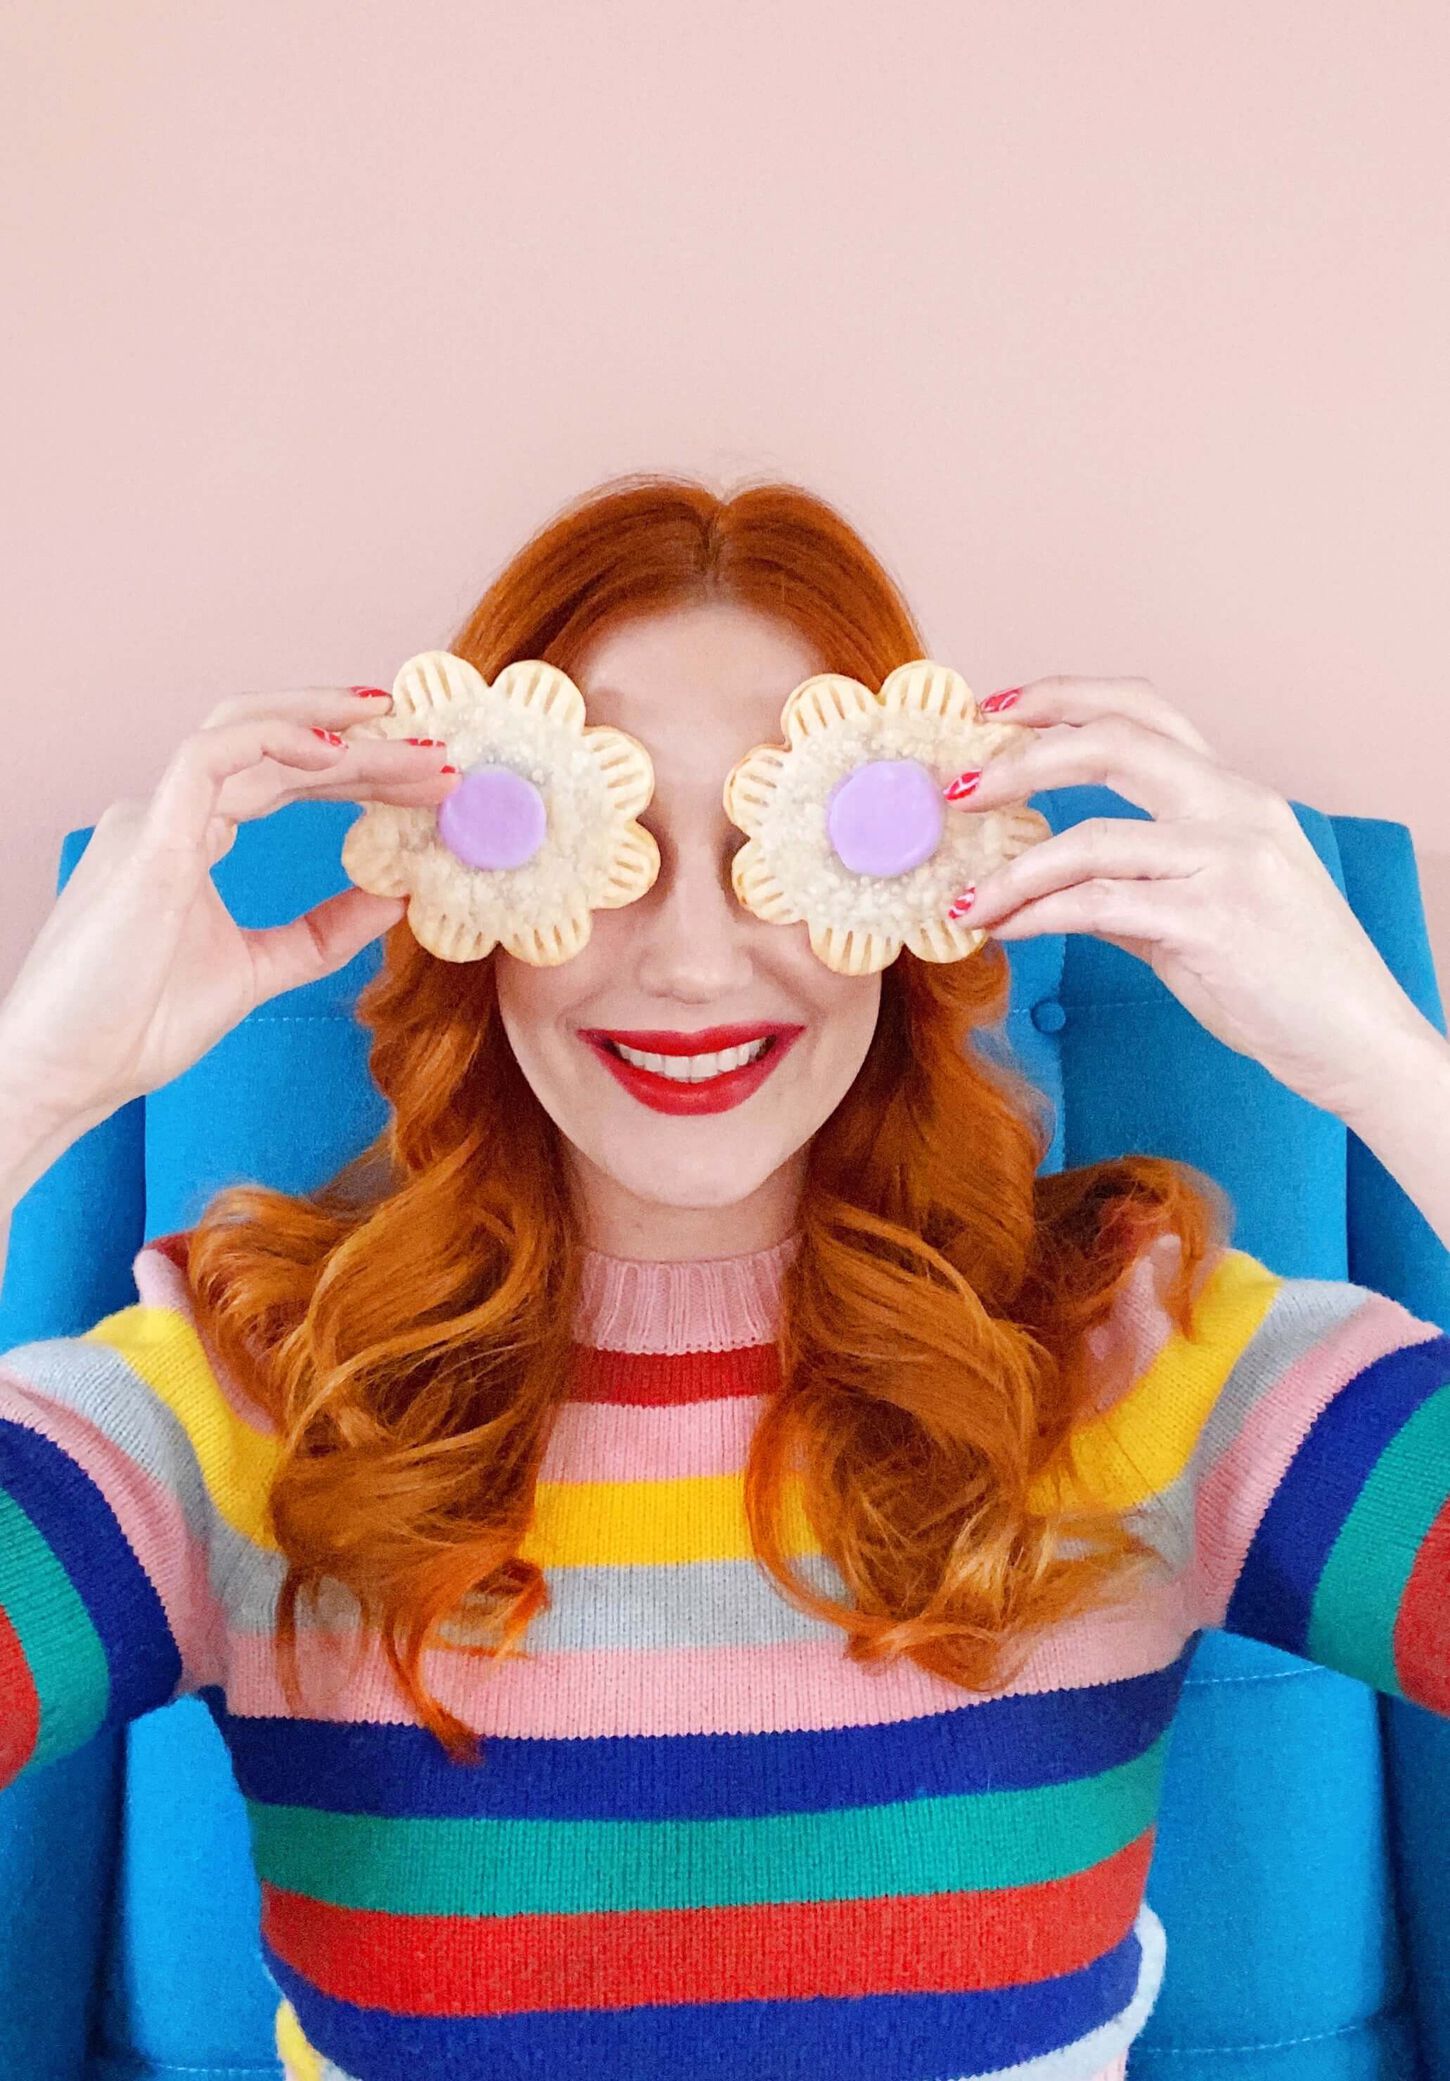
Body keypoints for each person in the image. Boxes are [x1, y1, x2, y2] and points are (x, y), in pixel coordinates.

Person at [0, 473, 1446, 2081]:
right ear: (465, 879)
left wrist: (1390, 1066)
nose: (691, 959)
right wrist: (35, 1084)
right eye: (604, 842)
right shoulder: (260, 1393)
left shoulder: (1122, 1354)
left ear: (911, 880)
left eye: (784, 836)